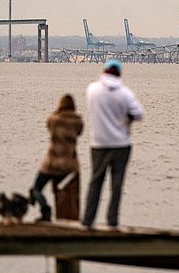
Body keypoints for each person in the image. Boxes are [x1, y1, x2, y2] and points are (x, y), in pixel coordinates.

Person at [81, 59, 144, 229]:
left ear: (104, 71)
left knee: (95, 182)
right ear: (120, 73)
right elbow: (139, 113)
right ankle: (112, 221)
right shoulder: (125, 93)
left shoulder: (92, 90)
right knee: (116, 186)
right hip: (121, 145)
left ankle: (87, 220)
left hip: (98, 144)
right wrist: (126, 118)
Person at [29, 94, 83, 222]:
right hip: (68, 166)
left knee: (36, 188)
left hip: (51, 164)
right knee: (64, 192)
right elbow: (79, 132)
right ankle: (66, 217)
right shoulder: (78, 122)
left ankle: (45, 210)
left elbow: (49, 126)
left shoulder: (53, 119)